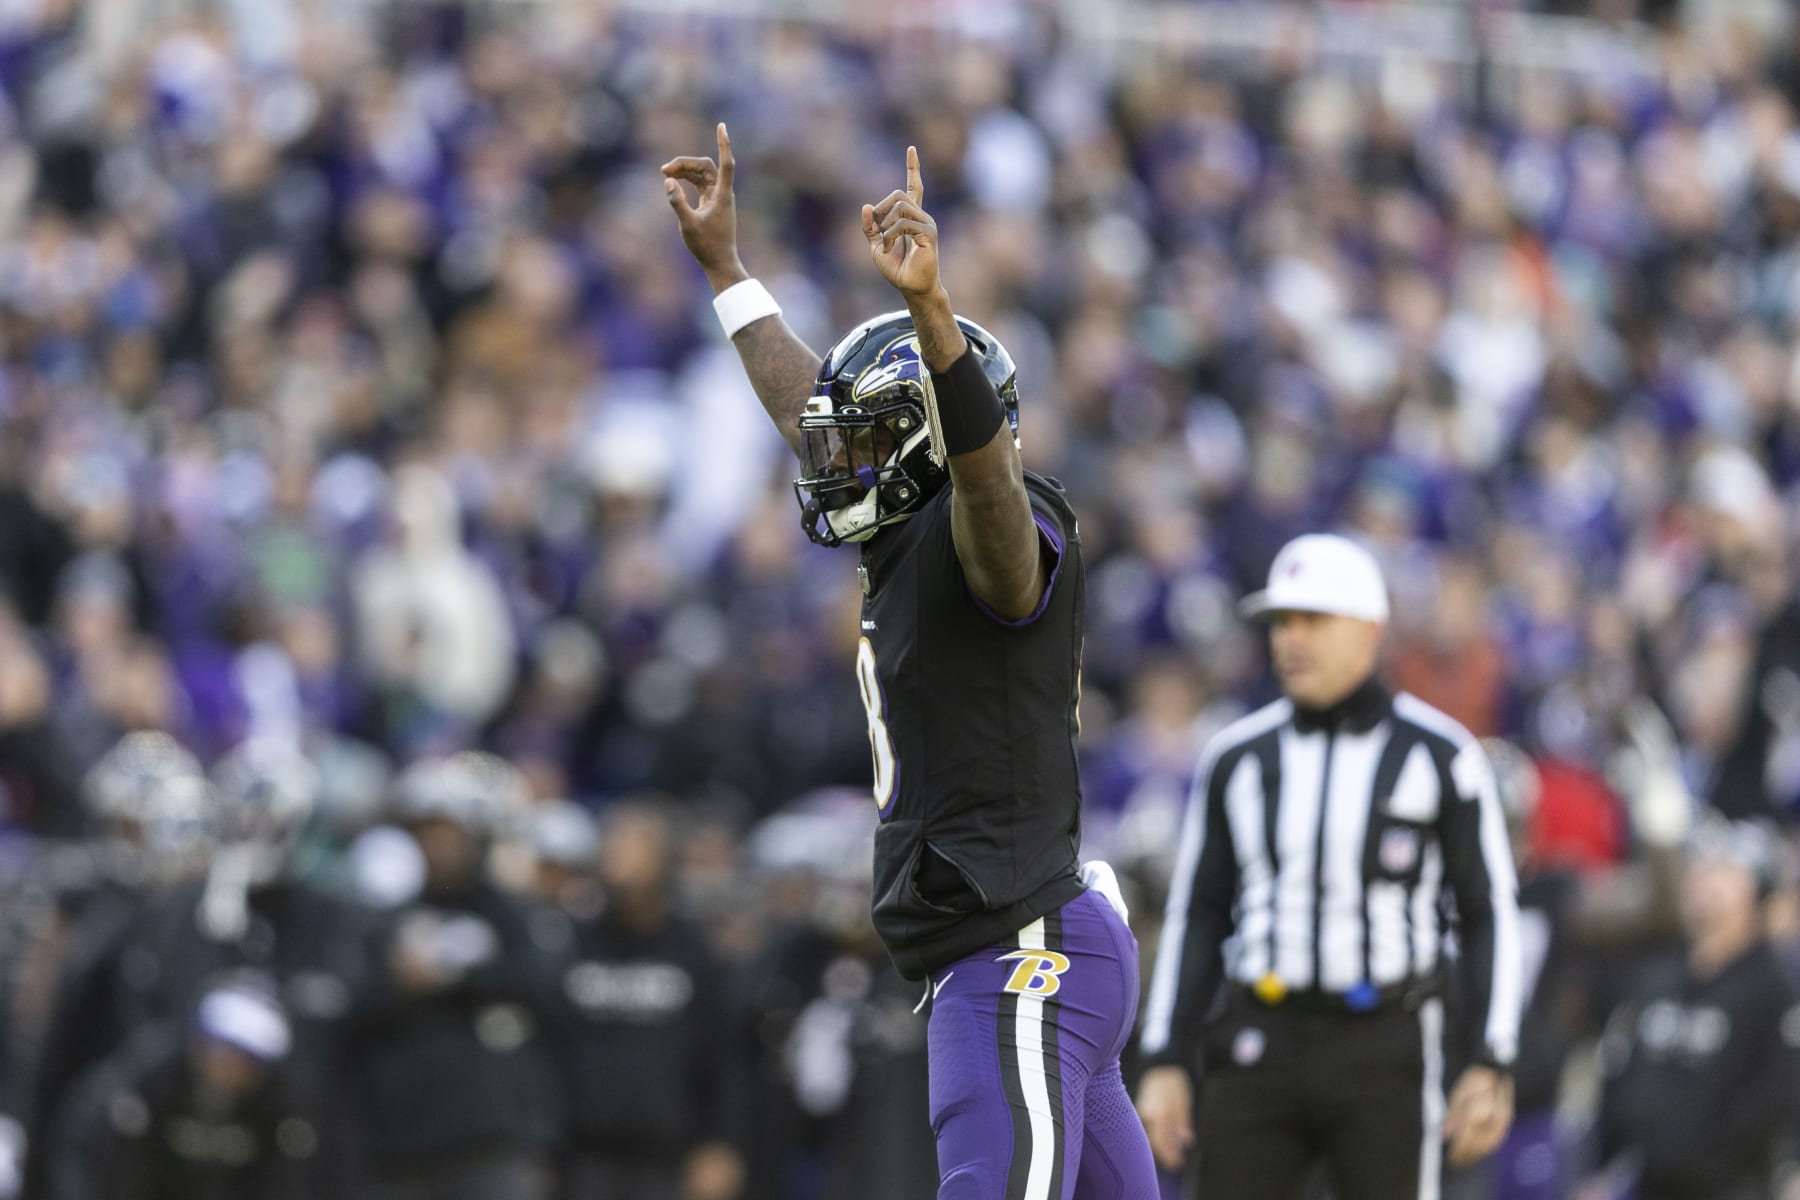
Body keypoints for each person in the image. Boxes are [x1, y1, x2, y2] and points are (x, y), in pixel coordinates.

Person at [663, 125, 1158, 1198]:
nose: (834, 460)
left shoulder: (1003, 529)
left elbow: (983, 484)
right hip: (1030, 939)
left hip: (1021, 952)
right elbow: (820, 413)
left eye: (871, 440)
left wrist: (938, 321)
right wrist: (729, 274)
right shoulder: (905, 523)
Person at [1134, 533, 1523, 1200]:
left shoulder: (1443, 757)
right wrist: (1166, 1055)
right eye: (1281, 622)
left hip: (1386, 1041)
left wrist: (1492, 1057)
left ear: (1369, 631)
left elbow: (1487, 913)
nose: (1292, 640)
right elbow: (1199, 913)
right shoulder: (1237, 757)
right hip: (1261, 1034)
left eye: (1313, 620)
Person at [342, 754, 565, 1200]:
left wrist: (457, 975)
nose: (436, 846)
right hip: (398, 1142)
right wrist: (401, 983)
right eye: (426, 833)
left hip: (493, 1141)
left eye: (448, 833)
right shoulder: (381, 918)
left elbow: (544, 988)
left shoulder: (511, 915)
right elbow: (350, 1007)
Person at [1591, 817, 1800, 1200]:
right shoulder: (1658, 973)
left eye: (1723, 873)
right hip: (1647, 1179)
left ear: (1757, 893)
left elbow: (1776, 1099)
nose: (1705, 883)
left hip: (1729, 1186)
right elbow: (1620, 1071)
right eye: (1701, 869)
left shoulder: (1775, 989)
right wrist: (1607, 1166)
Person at [554, 800, 745, 1200]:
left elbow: (721, 1054)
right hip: (582, 1154)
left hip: (668, 1157)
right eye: (613, 845)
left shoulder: (695, 951)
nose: (619, 857)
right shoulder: (573, 945)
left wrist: (719, 1143)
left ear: (665, 859)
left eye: (635, 846)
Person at [44, 980, 313, 1200]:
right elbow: (84, 1147)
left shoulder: (281, 1107)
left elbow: (292, 1178)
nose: (231, 1066)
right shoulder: (148, 1079)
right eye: (223, 1049)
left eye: (247, 1058)